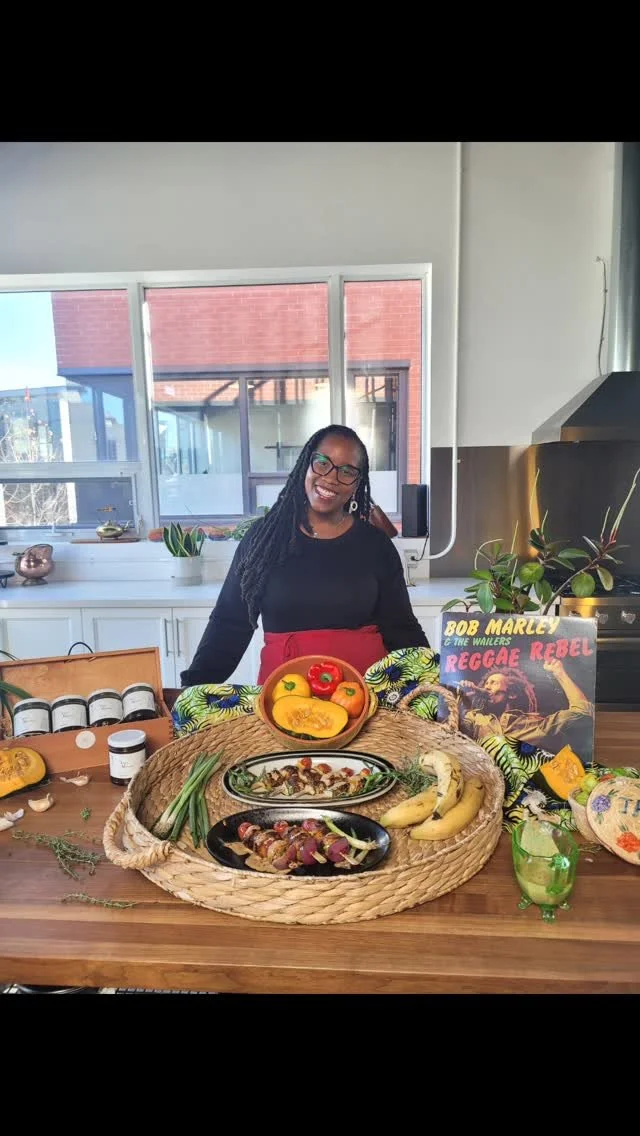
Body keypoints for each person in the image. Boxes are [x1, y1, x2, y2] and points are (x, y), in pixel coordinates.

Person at [181, 424, 429, 687]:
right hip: (283, 698)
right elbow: (230, 623)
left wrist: (433, 681)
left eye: (347, 471)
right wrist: (193, 686)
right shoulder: (263, 539)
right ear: (305, 465)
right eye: (322, 463)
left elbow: (401, 628)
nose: (331, 478)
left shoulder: (376, 545)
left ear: (357, 483)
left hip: (364, 698)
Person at [458, 659, 594, 749]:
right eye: (486, 683)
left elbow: (582, 711)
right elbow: (451, 732)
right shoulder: (474, 719)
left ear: (511, 694)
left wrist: (560, 673)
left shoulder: (531, 723)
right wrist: (460, 697)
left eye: (493, 683)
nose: (487, 687)